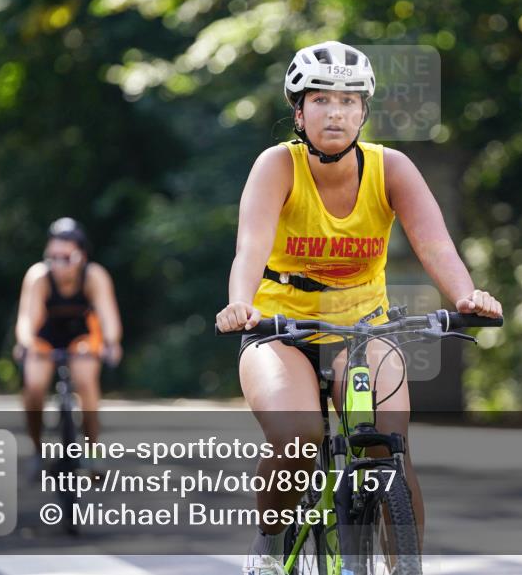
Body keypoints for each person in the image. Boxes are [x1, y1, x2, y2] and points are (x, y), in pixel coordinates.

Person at [215, 40, 503, 573]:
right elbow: (250, 248)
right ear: (298, 112)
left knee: (388, 445)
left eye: (349, 101)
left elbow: (436, 243)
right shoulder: (277, 165)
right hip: (281, 330)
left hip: (366, 328)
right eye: (321, 100)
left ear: (364, 112)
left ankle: (404, 567)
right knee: (300, 440)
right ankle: (271, 546)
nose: (336, 112)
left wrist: (464, 295)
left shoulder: (391, 168)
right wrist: (240, 305)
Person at [14, 217, 123, 474]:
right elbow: (26, 320)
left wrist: (111, 343)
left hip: (81, 338)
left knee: (86, 381)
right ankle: (38, 449)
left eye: (65, 257)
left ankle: (92, 449)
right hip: (46, 336)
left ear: (81, 256)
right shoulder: (38, 277)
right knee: (34, 386)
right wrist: (26, 344)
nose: (58, 264)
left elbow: (109, 318)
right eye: (52, 257)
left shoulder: (94, 276)